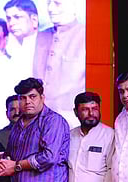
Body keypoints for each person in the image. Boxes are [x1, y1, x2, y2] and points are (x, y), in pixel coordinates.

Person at [33, 0, 85, 128]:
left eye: (57, 3)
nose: (50, 8)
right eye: (48, 3)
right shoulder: (42, 35)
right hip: (39, 118)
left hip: (72, 119)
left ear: (73, 4)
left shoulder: (86, 34)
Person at [4, 0, 39, 80]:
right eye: (8, 18)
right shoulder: (7, 49)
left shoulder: (48, 46)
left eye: (17, 17)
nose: (11, 23)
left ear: (34, 20)